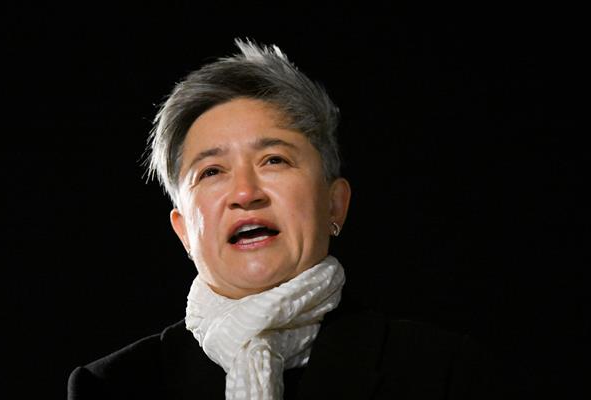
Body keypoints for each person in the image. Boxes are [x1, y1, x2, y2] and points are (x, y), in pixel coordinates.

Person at [68, 39, 499, 399]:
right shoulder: (114, 387)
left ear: (335, 204)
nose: (245, 194)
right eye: (212, 171)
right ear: (183, 230)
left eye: (274, 160)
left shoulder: (442, 372)